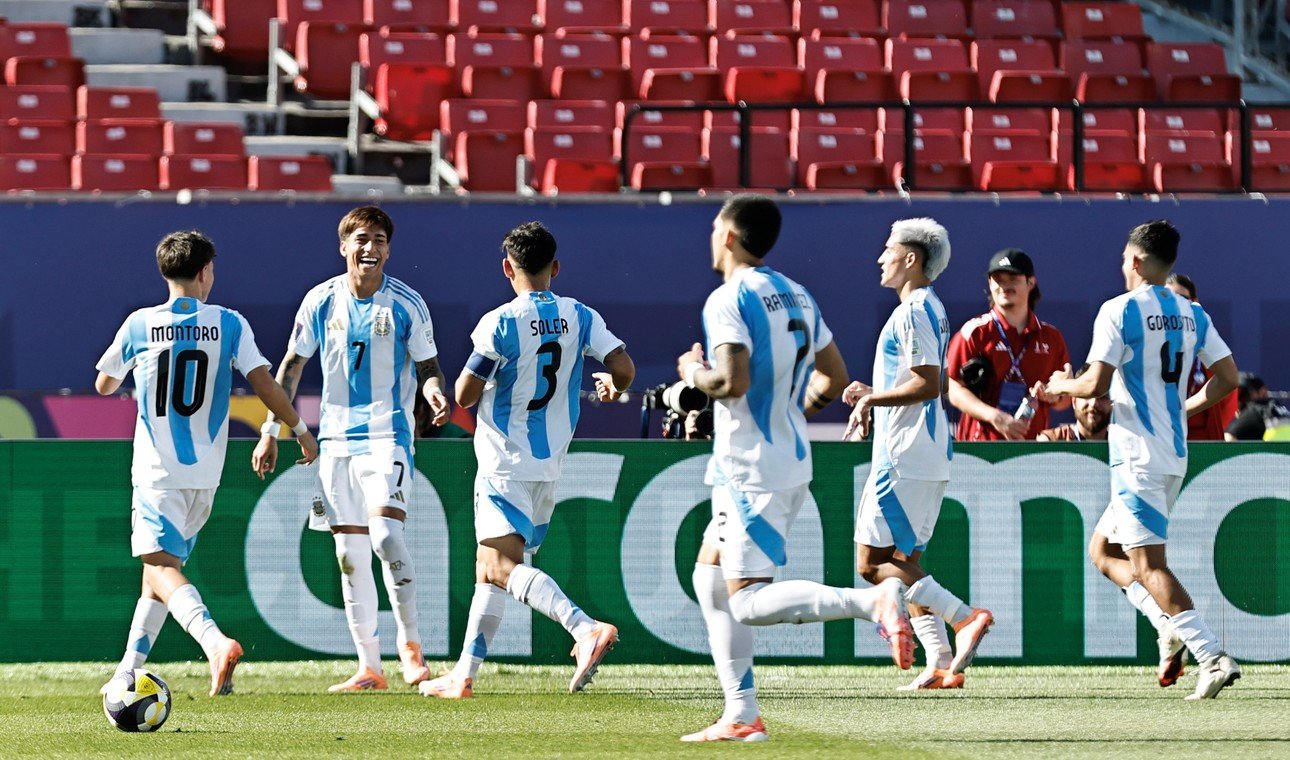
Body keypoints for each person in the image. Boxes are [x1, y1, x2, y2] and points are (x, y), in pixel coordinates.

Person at [676, 195, 913, 744]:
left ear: (731, 237)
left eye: (716, 227)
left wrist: (692, 371)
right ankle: (741, 713)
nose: (712, 236)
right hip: (783, 458)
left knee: (746, 600)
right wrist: (784, 415)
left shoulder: (727, 298)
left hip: (750, 468)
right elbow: (833, 376)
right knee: (710, 578)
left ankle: (870, 601)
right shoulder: (797, 294)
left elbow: (730, 381)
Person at [96, 230, 318, 697]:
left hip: (157, 469)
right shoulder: (230, 324)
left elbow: (104, 384)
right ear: (203, 273)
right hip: (205, 474)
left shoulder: (140, 323)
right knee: (159, 570)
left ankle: (214, 643)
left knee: (158, 566)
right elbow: (264, 384)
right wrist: (298, 429)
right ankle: (127, 671)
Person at [420, 221, 636, 700]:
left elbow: (465, 393)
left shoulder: (500, 321)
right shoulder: (580, 315)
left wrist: (493, 372)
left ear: (506, 269)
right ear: (555, 268)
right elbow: (623, 368)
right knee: (489, 567)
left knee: (499, 567)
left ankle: (583, 628)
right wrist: (613, 387)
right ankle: (464, 674)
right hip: (550, 466)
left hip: (504, 464)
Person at [252, 206, 449, 692]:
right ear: (343, 247)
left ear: (388, 248)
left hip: (388, 435)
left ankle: (410, 645)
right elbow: (291, 369)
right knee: (348, 553)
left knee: (384, 537)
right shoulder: (320, 302)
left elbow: (428, 368)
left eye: (379, 240)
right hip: (334, 442)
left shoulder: (406, 304)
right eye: (361, 239)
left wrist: (433, 393)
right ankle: (369, 667)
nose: (370, 248)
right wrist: (270, 430)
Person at [1045, 219, 1241, 700]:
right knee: (1102, 552)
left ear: (1134, 261)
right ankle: (1166, 623)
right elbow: (1228, 377)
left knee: (1149, 565)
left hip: (1137, 457)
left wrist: (1057, 387)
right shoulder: (1192, 313)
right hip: (1172, 453)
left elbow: (1093, 384)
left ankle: (1211, 656)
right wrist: (1184, 406)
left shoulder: (1119, 310)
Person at [846, 218, 995, 692]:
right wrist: (875, 391)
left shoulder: (914, 309)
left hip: (904, 455)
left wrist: (873, 401)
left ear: (911, 259)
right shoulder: (927, 308)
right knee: (905, 561)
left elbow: (929, 382)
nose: (880, 257)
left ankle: (965, 617)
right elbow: (918, 381)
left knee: (871, 563)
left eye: (888, 249)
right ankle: (939, 661)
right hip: (926, 450)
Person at [946, 248, 1071, 441]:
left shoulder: (1051, 337)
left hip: (1032, 447)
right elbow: (953, 388)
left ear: (1031, 282)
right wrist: (994, 416)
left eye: (1013, 278)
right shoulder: (974, 333)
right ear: (989, 283)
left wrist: (1054, 394)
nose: (1004, 286)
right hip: (980, 449)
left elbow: (1064, 402)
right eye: (998, 279)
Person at [1166, 273, 1238, 440]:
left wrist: (1181, 412)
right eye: (1169, 299)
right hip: (1159, 442)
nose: (1177, 306)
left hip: (1203, 446)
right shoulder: (1146, 346)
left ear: (1195, 303)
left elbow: (1229, 394)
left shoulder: (1208, 347)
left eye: (1183, 299)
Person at [1036, 364, 1111, 441]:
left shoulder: (1121, 445)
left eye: (1102, 397)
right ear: (1074, 401)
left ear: (1113, 404)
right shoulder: (1051, 441)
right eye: (1086, 396)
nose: (1093, 403)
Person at [1225, 372, 1290, 441]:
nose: (1239, 402)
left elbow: (1228, 439)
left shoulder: (1256, 410)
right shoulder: (1281, 410)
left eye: (1244, 395)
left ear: (1263, 392)